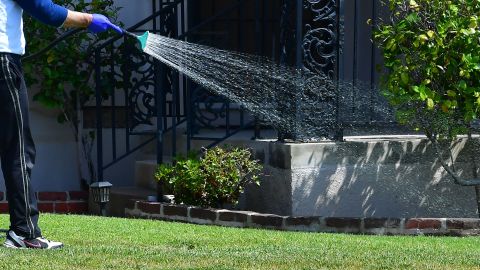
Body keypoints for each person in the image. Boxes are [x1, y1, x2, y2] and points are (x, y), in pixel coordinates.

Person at [0, 0, 122, 249]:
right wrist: (89, 20)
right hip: (3, 62)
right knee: (18, 148)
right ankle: (24, 232)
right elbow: (44, 9)